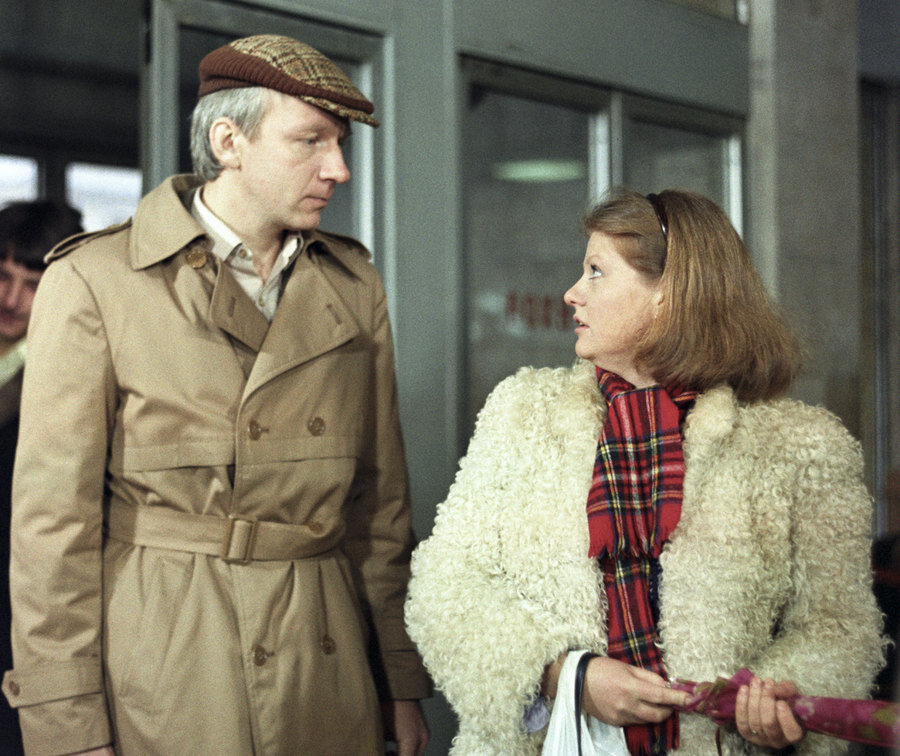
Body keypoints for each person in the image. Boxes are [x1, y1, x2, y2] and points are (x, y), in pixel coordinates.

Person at [2, 34, 430, 756]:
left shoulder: (355, 285)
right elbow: (53, 531)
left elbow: (380, 505)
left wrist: (398, 680)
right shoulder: (96, 281)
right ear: (229, 142)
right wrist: (66, 726)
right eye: (311, 141)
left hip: (325, 665)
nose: (340, 169)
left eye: (340, 143)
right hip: (169, 662)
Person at [405, 187, 885, 755]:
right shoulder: (521, 413)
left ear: (670, 293)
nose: (572, 293)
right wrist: (567, 676)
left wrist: (775, 698)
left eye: (596, 272)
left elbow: (838, 627)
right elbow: (446, 586)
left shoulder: (800, 447)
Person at [0, 200, 83, 756]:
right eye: (3, 277)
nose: (12, 299)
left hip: (22, 603)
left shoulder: (67, 369)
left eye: (32, 284)